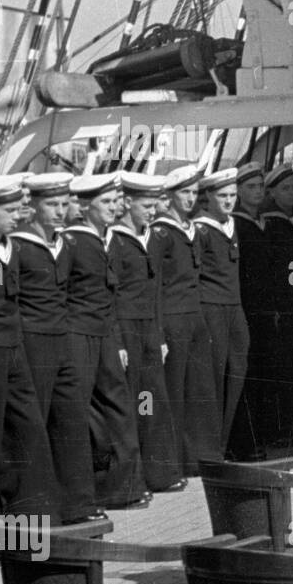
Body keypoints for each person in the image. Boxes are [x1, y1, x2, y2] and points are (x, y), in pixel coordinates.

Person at [0, 174, 60, 520]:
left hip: (14, 346)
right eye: (10, 210)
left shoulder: (8, 247)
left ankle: (34, 508)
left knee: (29, 426)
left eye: (20, 209)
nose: (17, 216)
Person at [11, 172, 102, 523]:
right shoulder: (18, 247)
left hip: (63, 338)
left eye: (64, 204)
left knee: (71, 420)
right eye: (51, 204)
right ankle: (37, 508)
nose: (60, 211)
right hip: (32, 343)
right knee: (34, 426)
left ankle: (78, 504)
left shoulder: (64, 243)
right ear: (32, 207)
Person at [66, 173, 147, 510]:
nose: (113, 208)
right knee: (80, 413)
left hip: (104, 335)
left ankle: (125, 488)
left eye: (116, 202)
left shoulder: (107, 239)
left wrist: (117, 341)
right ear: (85, 207)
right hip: (77, 335)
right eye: (106, 203)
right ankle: (86, 493)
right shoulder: (72, 242)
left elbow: (110, 297)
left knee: (120, 407)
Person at [109, 172, 184, 493]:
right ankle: (133, 477)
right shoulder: (114, 240)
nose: (153, 212)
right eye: (146, 206)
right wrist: (117, 342)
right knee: (131, 401)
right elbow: (109, 295)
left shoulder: (150, 237)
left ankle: (158, 472)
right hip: (125, 330)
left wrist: (160, 336)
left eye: (155, 205)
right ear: (127, 203)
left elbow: (155, 292)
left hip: (149, 331)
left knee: (150, 398)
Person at [151, 163, 220, 476]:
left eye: (194, 192)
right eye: (185, 193)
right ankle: (176, 461)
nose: (191, 198)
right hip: (173, 317)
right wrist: (159, 331)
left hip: (195, 315)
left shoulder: (195, 230)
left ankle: (201, 458)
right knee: (174, 391)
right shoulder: (162, 233)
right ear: (171, 196)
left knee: (200, 388)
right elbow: (155, 284)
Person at [195, 168, 249, 460]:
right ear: (209, 198)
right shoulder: (201, 230)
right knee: (213, 377)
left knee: (236, 371)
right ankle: (209, 448)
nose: (229, 201)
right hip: (211, 308)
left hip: (233, 307)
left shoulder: (232, 225)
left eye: (232, 195)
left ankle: (223, 443)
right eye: (223, 196)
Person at [262, 162, 293, 446]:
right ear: (272, 192)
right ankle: (285, 427)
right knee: (284, 368)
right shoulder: (269, 223)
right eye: (285, 188)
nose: (292, 193)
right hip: (283, 305)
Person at [229, 161, 271, 460]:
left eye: (260, 186)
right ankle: (245, 442)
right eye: (251, 187)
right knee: (247, 378)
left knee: (263, 377)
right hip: (246, 310)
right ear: (239, 192)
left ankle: (261, 436)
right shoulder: (237, 225)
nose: (258, 192)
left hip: (266, 312)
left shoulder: (265, 222)